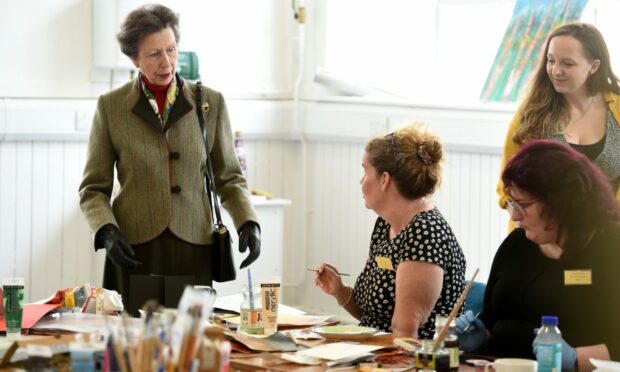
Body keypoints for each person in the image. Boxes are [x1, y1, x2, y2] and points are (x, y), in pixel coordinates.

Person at [79, 4, 260, 302]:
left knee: (190, 342)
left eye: (171, 50)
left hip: (194, 248)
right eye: (154, 54)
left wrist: (248, 222)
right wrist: (106, 231)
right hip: (134, 250)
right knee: (136, 342)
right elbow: (92, 189)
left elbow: (228, 177)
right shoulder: (110, 107)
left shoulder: (210, 102)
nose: (166, 62)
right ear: (135, 58)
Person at [457, 140, 620, 371]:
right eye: (511, 203)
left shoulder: (611, 249)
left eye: (522, 205)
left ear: (560, 203)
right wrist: (480, 335)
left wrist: (575, 359)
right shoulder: (516, 244)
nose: (514, 215)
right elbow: (491, 317)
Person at [313, 124, 466, 339]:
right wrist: (340, 291)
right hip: (378, 353)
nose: (361, 180)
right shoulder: (385, 225)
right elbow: (374, 316)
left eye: (365, 170)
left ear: (384, 179)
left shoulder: (424, 233)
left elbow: (405, 335)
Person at [497, 22, 620, 218]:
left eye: (567, 63)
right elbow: (507, 184)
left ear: (594, 66)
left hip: (608, 240)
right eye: (551, 60)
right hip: (541, 238)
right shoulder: (530, 114)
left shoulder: (617, 109)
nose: (555, 70)